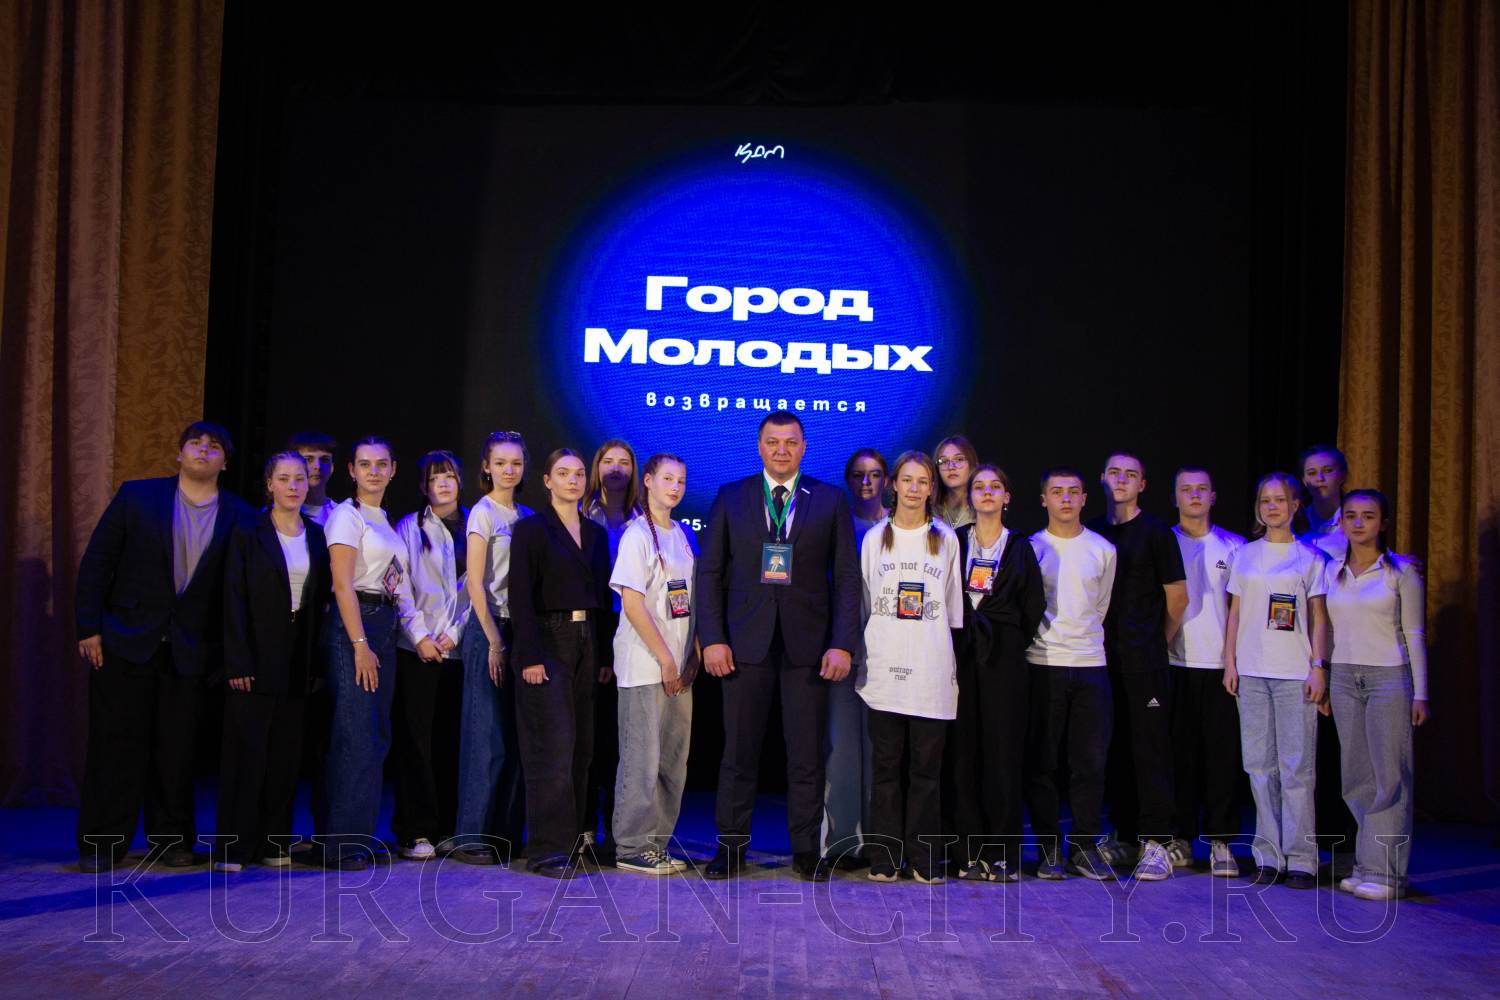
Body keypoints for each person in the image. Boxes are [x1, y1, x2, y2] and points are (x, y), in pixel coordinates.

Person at [75, 422, 251, 871]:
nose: (203, 450)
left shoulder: (240, 515)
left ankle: (171, 841)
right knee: (115, 746)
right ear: (179, 454)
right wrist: (88, 627)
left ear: (225, 462)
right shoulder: (137, 496)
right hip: (126, 640)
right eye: (195, 443)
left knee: (177, 752)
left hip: (190, 651)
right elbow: (97, 562)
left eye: (214, 447)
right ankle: (102, 843)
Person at [697, 411, 861, 881]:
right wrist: (713, 638)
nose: (782, 450)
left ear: (803, 447)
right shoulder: (732, 496)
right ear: (759, 446)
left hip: (807, 647)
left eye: (790, 442)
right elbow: (710, 573)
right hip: (743, 644)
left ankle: (806, 851)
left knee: (806, 755)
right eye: (773, 442)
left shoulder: (829, 499)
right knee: (738, 754)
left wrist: (842, 643)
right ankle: (730, 849)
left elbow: (846, 578)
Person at [215, 451, 330, 871]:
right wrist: (238, 661)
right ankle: (234, 846)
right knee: (246, 754)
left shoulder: (316, 535)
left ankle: (273, 841)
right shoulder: (248, 531)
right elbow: (233, 597)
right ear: (269, 484)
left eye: (300, 478)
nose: (294, 486)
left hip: (297, 658)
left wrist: (316, 664)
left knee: (285, 755)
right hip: (254, 655)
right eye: (284, 478)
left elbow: (318, 603)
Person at [856, 452, 964, 883]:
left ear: (931, 488)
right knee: (885, 769)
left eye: (923, 481)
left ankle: (923, 858)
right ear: (894, 485)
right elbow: (867, 602)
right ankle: (885, 858)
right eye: (907, 480)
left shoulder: (946, 539)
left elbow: (952, 609)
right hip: (884, 671)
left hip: (930, 672)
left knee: (926, 773)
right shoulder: (874, 538)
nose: (915, 488)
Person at [319, 436, 425, 870]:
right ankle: (341, 844)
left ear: (393, 469)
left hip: (384, 621)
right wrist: (359, 644)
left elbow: (395, 583)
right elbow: (342, 584)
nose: (374, 471)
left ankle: (357, 836)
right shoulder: (347, 516)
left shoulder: (385, 520)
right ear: (352, 470)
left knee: (375, 733)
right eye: (365, 464)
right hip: (356, 623)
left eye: (382, 464)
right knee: (356, 733)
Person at [509, 449, 614, 878]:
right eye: (563, 473)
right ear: (547, 480)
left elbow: (602, 599)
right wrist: (530, 655)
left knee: (581, 747)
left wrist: (603, 653)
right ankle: (546, 850)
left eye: (579, 473)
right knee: (551, 747)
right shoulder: (531, 530)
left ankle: (570, 842)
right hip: (548, 639)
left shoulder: (595, 534)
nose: (573, 480)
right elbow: (520, 597)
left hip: (587, 639)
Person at [1222, 471, 1330, 890]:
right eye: (1265, 500)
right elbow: (1235, 612)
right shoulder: (1245, 555)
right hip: (1251, 671)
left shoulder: (1311, 557)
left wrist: (1318, 665)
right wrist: (1230, 662)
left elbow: (1318, 617)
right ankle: (1268, 855)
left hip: (1294, 673)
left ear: (1295, 505)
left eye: (1280, 500)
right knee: (1258, 766)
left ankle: (1302, 858)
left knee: (1296, 768)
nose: (1272, 507)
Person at [1326, 489, 1429, 900]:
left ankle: (1388, 874)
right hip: (1344, 677)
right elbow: (1328, 630)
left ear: (1383, 522)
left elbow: (1414, 633)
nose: (1358, 523)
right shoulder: (1332, 569)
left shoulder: (1400, 572)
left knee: (1390, 777)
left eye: (1367, 516)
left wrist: (1421, 693)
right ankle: (1366, 865)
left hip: (1388, 678)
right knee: (1357, 777)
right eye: (1350, 515)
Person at [1090, 452, 1187, 881]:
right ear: (1102, 479)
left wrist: (1153, 643)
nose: (1122, 480)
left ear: (1143, 484)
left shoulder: (1156, 532)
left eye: (1131, 475)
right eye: (1114, 473)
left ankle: (1157, 842)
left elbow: (1178, 598)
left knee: (1150, 751)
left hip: (1144, 662)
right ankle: (1125, 836)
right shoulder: (1094, 531)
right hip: (1102, 660)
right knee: (1116, 751)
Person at [951, 464, 1044, 882]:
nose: (986, 492)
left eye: (995, 487)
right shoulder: (955, 541)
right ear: (969, 496)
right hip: (961, 658)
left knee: (1002, 756)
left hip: (1004, 662)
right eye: (979, 486)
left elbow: (1033, 608)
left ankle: (1003, 854)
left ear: (1007, 497)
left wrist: (1005, 641)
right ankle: (967, 853)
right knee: (964, 754)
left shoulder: (1020, 547)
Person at [1024, 468, 1118, 881]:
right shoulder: (1031, 548)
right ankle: (1048, 849)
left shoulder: (1103, 549)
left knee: (1090, 763)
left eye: (1073, 492)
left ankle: (1083, 847)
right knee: (1042, 763)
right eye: (1057, 492)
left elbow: (1101, 606)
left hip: (1090, 666)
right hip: (1043, 664)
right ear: (1043, 499)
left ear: (1084, 499)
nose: (1065, 498)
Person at [610, 454, 699, 874]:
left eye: (680, 480)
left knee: (672, 761)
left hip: (679, 668)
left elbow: (688, 600)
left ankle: (656, 843)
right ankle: (631, 845)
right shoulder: (636, 535)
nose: (675, 487)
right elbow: (632, 603)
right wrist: (665, 658)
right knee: (641, 759)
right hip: (647, 664)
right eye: (667, 478)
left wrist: (692, 652)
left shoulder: (682, 534)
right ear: (647, 481)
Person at [454, 431, 533, 865]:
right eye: (500, 462)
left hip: (519, 630)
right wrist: (494, 640)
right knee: (485, 739)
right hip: (489, 630)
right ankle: (471, 837)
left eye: (515, 463)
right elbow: (475, 584)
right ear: (486, 466)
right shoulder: (482, 513)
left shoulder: (527, 515)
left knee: (515, 741)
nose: (508, 470)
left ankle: (504, 835)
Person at [1166, 467, 1246, 878]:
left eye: (1202, 489)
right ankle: (1180, 838)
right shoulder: (1165, 541)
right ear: (1175, 497)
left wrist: (1233, 660)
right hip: (1175, 664)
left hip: (1220, 667)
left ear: (1213, 496)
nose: (1194, 496)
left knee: (1221, 758)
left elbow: (1242, 609)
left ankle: (1221, 842)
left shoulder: (1235, 547)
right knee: (1180, 757)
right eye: (1186, 490)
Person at [391, 451, 470, 862]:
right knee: (415, 742)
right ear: (424, 485)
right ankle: (414, 829)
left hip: (457, 651)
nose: (443, 483)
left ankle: (445, 829)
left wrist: (454, 634)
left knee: (450, 742)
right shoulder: (409, 526)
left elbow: (478, 587)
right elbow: (399, 584)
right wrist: (419, 635)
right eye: (435, 477)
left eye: (450, 476)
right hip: (416, 651)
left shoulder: (474, 524)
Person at [821, 447, 889, 867]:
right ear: (847, 480)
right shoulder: (836, 524)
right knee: (842, 747)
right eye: (859, 475)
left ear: (887, 480)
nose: (867, 482)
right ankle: (843, 842)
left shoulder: (902, 527)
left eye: (875, 474)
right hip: (843, 649)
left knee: (882, 748)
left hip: (890, 651)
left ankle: (881, 840)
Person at [581, 439, 636, 859]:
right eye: (608, 461)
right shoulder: (581, 514)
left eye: (624, 463)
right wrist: (602, 652)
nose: (616, 469)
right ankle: (584, 827)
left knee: (624, 742)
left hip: (634, 630)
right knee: (590, 737)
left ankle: (619, 830)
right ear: (596, 467)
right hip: (592, 630)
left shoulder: (642, 518)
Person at [1298, 445, 1348, 560]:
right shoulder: (1296, 520)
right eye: (1312, 473)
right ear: (1304, 480)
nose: (1320, 478)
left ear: (1343, 475)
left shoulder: (1354, 521)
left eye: (1328, 471)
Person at [288, 431, 339, 526]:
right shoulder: (277, 513)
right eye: (308, 459)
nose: (317, 466)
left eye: (324, 460)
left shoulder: (342, 513)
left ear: (332, 467)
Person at [933, 435, 979, 529]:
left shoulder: (982, 508)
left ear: (972, 464)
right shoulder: (930, 511)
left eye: (959, 459)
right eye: (944, 461)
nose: (951, 467)